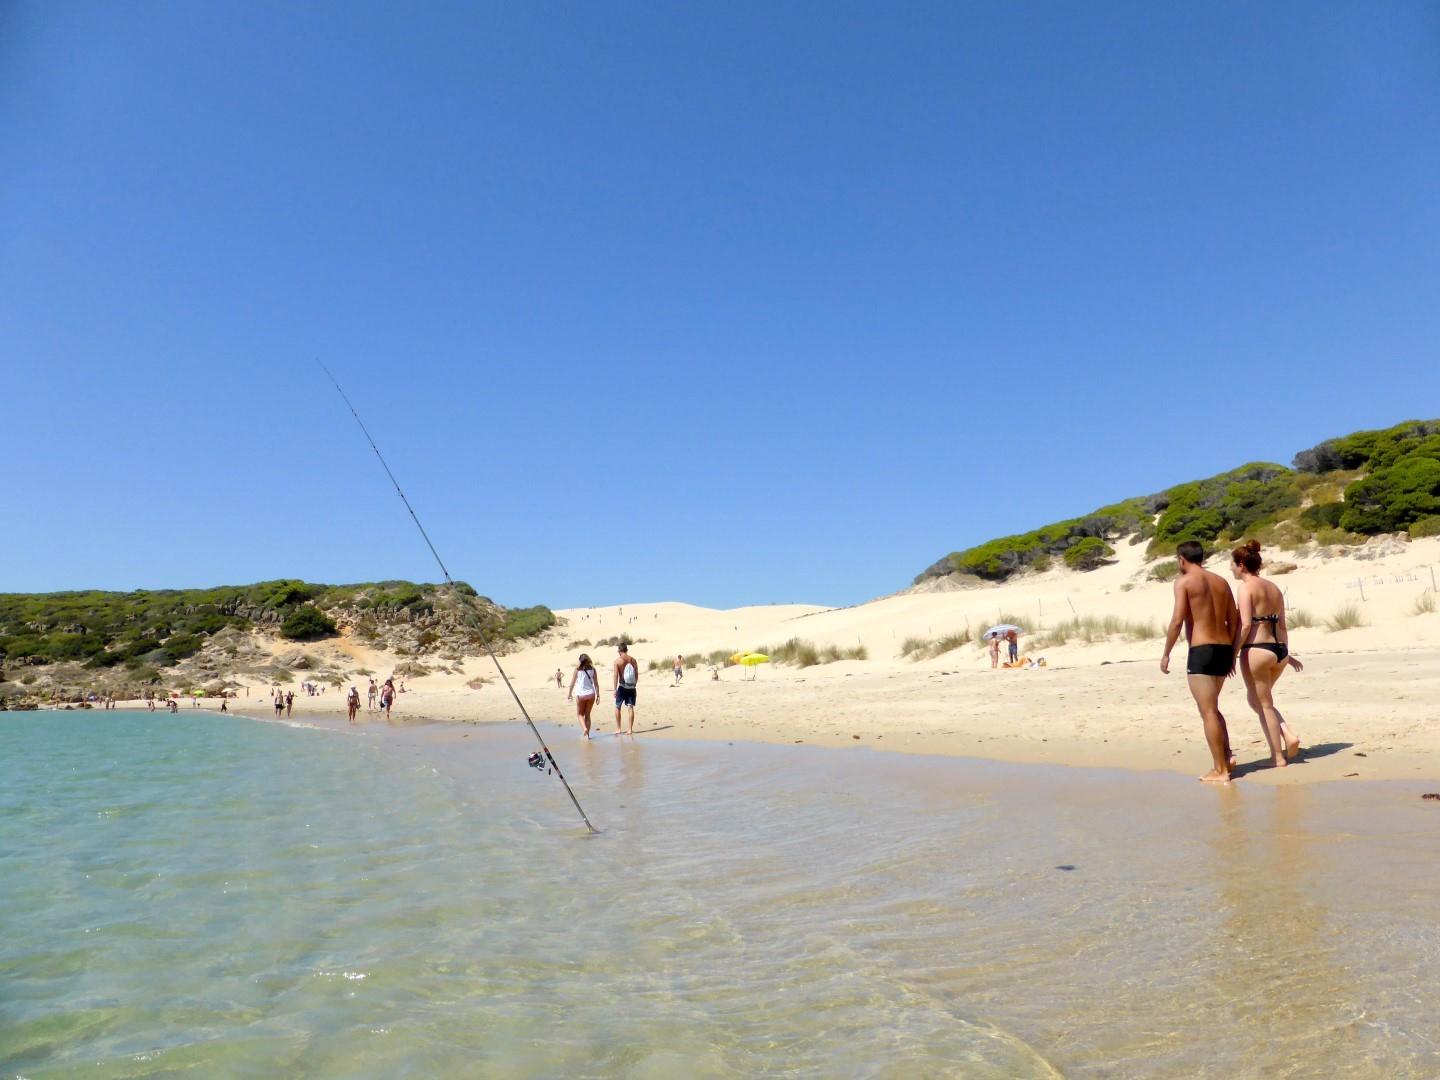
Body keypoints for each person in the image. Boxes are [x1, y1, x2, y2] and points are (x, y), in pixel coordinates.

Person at [1161, 540, 1241, 784]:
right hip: (1224, 648)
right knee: (1213, 708)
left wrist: (1166, 653)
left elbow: (1176, 621)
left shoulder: (1184, 582)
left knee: (1207, 712)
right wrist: (1233, 653)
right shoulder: (1221, 582)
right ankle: (1226, 757)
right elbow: (1235, 622)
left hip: (1202, 650)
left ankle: (1220, 770)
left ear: (1182, 559)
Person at [1230, 540, 1304, 767]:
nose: (1231, 569)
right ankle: (1286, 734)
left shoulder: (1246, 588)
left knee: (1264, 705)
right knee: (1257, 701)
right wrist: (1287, 655)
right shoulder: (1273, 588)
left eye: (1232, 565)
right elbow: (1282, 624)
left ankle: (1278, 756)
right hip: (1278, 650)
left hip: (1257, 650)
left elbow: (1244, 626)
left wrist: (1233, 653)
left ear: (1241, 565)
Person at [567, 653, 600, 738]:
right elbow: (596, 683)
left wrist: (569, 693)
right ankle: (588, 736)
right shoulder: (593, 669)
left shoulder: (577, 670)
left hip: (580, 694)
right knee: (587, 714)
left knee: (580, 714)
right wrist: (598, 695)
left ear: (580, 661)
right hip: (591, 694)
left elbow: (572, 683)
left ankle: (584, 729)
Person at [613, 642, 639, 735]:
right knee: (630, 707)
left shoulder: (617, 661)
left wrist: (614, 689)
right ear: (626, 650)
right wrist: (634, 684)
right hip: (631, 687)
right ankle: (630, 729)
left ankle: (619, 728)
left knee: (617, 706)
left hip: (622, 686)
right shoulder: (633, 660)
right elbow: (636, 674)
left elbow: (616, 676)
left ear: (619, 651)